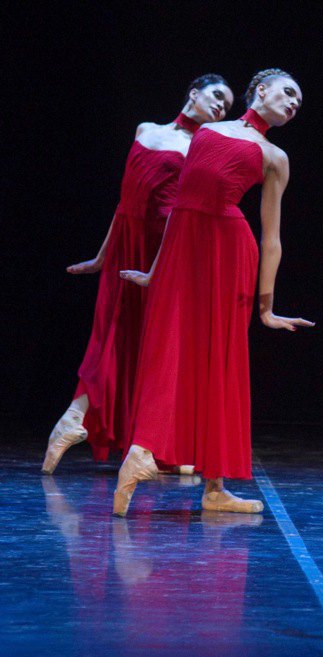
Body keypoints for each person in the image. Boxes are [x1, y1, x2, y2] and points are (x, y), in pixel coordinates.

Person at [113, 69, 313, 517]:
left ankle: (215, 486)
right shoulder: (207, 131)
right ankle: (144, 450)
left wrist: (267, 306)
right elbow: (180, 204)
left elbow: (272, 237)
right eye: (288, 92)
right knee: (169, 352)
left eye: (298, 102)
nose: (293, 103)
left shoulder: (274, 155)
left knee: (219, 361)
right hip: (186, 249)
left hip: (229, 253)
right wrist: (155, 270)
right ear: (260, 90)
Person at [43, 75, 234, 474]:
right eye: (217, 96)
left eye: (228, 106)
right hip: (130, 245)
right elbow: (125, 200)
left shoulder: (201, 146)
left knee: (153, 345)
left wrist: (157, 266)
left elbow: (185, 209)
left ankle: (128, 436)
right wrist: (102, 257)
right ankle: (85, 422)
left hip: (166, 251)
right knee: (116, 334)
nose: (221, 107)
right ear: (193, 92)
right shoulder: (145, 129)